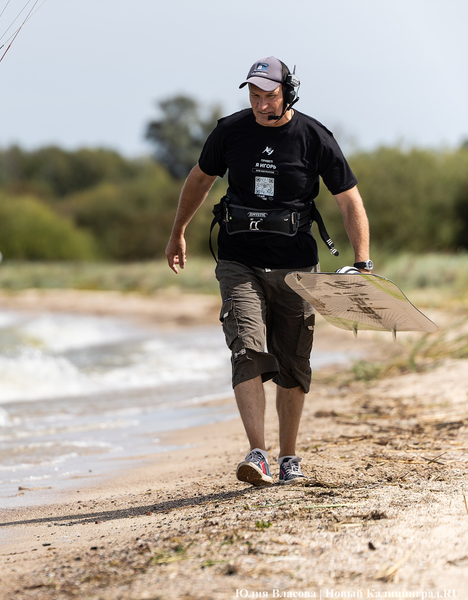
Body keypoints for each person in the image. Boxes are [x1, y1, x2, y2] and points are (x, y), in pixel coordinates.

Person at [164, 57, 371, 486]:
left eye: (269, 96)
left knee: (293, 365)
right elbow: (200, 179)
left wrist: (363, 262)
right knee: (247, 349)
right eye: (254, 96)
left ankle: (289, 458)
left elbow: (349, 200)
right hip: (239, 260)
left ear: (287, 92)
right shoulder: (229, 132)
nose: (260, 105)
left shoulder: (314, 137)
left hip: (297, 267)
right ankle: (257, 453)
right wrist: (178, 231)